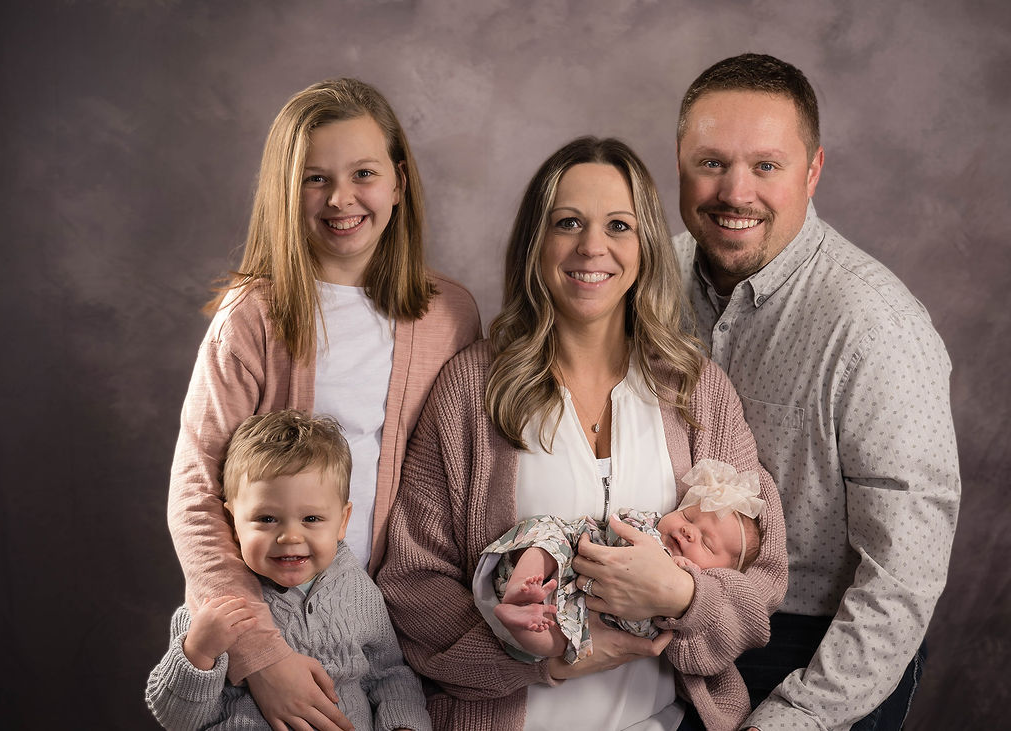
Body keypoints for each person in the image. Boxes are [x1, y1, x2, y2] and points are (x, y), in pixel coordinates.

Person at [377, 136, 787, 731]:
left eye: (618, 225)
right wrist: (544, 657)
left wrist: (681, 597)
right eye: (568, 222)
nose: (592, 246)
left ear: (645, 244)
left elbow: (761, 584)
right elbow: (413, 583)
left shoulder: (698, 392)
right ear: (535, 244)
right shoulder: (471, 389)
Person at [167, 78, 480, 731]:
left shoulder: (449, 314)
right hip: (273, 627)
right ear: (286, 191)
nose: (341, 199)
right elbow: (197, 498)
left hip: (391, 640)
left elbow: (463, 481)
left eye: (362, 173)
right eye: (314, 179)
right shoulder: (253, 317)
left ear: (397, 180)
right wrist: (260, 655)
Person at [672, 53, 960, 730]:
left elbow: (902, 576)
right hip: (678, 621)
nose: (734, 192)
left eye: (765, 165)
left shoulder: (874, 325)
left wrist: (795, 716)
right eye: (711, 162)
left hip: (818, 642)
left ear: (813, 170)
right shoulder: (647, 276)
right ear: (679, 161)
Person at [148, 410, 431, 731]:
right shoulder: (214, 606)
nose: (290, 537)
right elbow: (175, 719)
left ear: (343, 521)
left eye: (311, 519)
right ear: (233, 522)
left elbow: (389, 675)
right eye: (267, 519)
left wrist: (403, 725)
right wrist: (197, 653)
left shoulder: (360, 592)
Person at [483, 458, 765, 662]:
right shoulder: (649, 525)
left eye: (706, 542)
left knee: (561, 644)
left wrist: (681, 583)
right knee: (545, 538)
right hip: (565, 556)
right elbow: (623, 529)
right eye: (688, 516)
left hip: (572, 615)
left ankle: (520, 619)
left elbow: (645, 629)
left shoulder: (680, 605)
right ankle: (518, 589)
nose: (688, 531)